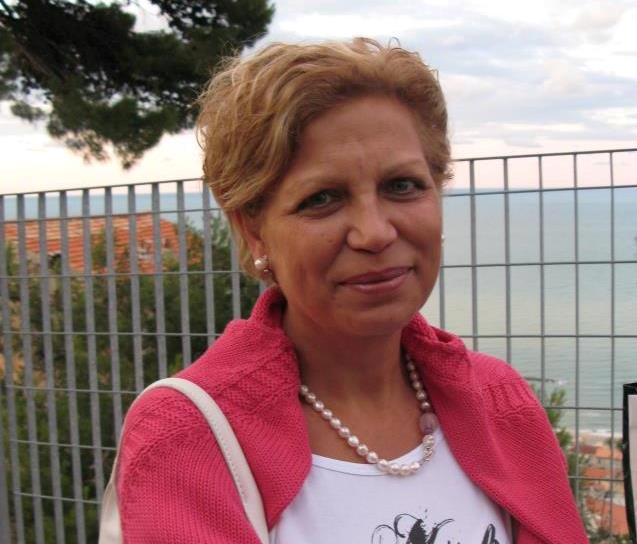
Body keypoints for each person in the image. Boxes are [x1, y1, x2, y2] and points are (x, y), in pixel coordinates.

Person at [116, 38, 588, 543]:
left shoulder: (499, 400)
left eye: (402, 186)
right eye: (322, 198)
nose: (374, 233)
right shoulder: (188, 436)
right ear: (254, 230)